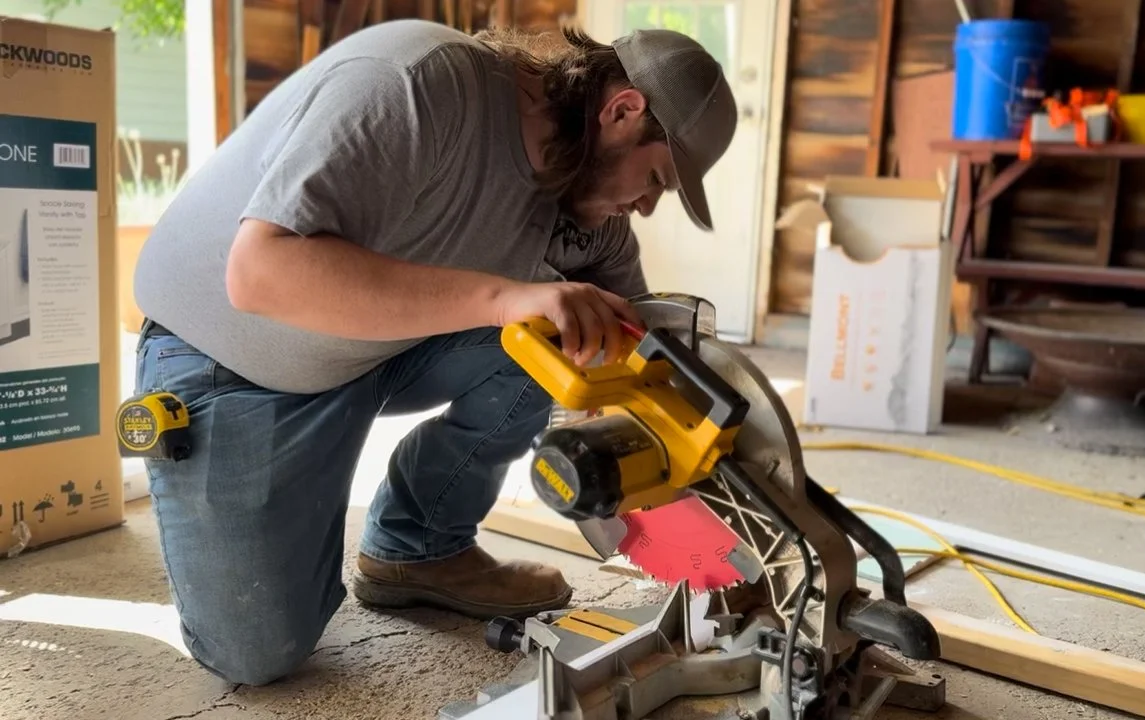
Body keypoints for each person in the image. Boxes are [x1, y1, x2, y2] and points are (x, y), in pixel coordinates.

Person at [129, 18, 736, 686]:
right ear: (623, 111)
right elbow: (259, 274)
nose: (647, 207)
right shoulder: (416, 85)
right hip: (233, 357)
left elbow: (647, 365)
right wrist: (503, 300)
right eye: (656, 179)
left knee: (578, 324)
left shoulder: (588, 207)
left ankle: (418, 547)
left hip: (373, 349)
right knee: (255, 652)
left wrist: (730, 528)